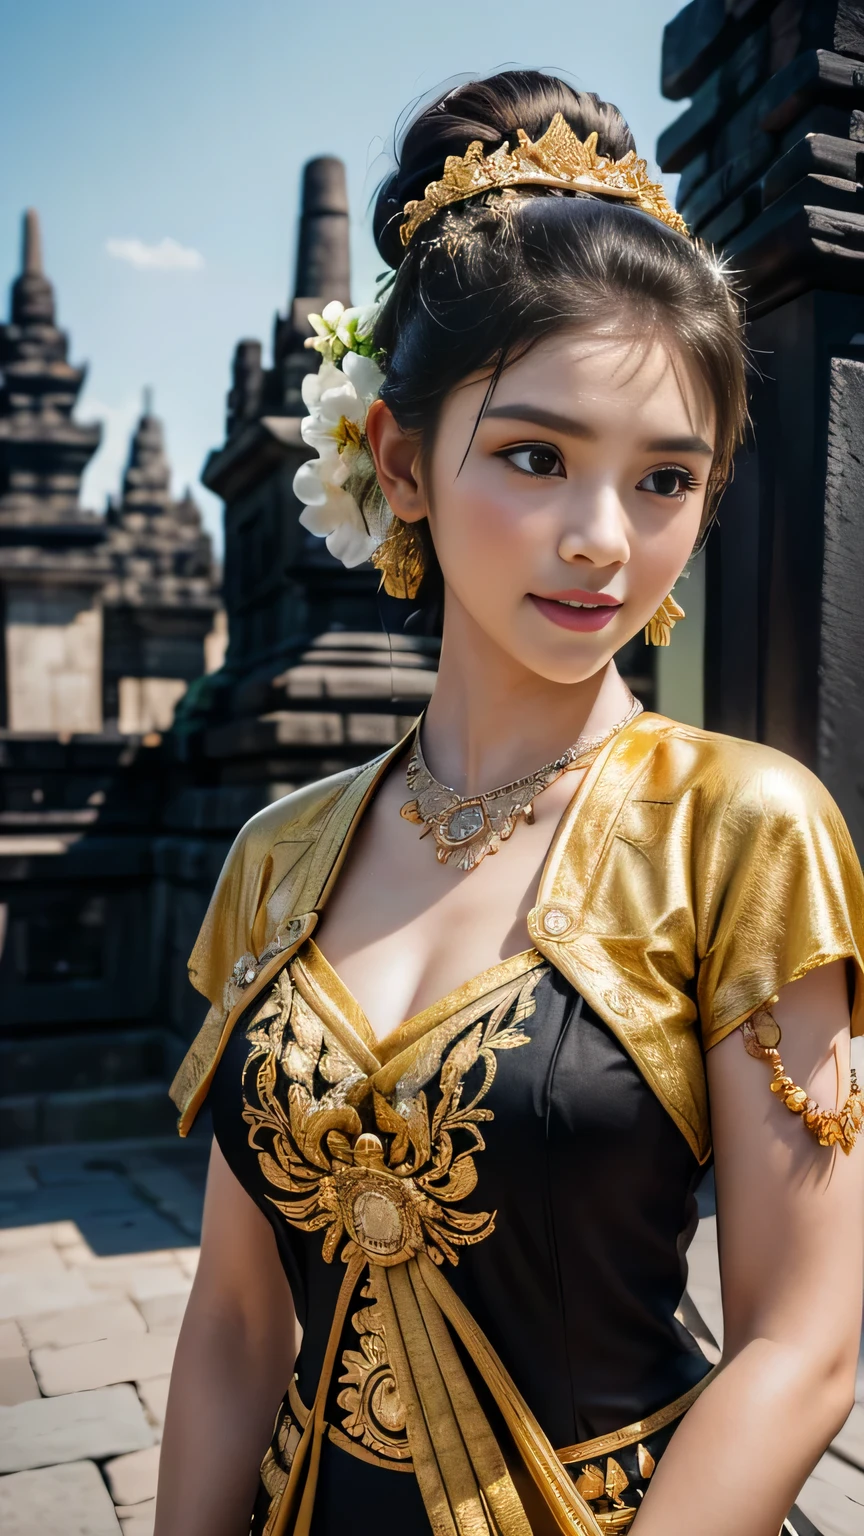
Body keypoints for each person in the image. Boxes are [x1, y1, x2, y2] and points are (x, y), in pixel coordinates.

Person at [154, 71, 864, 1536]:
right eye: (536, 457)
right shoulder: (275, 860)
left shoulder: (741, 829)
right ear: (400, 461)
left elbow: (804, 1348)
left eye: (666, 478)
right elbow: (233, 1324)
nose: (604, 540)